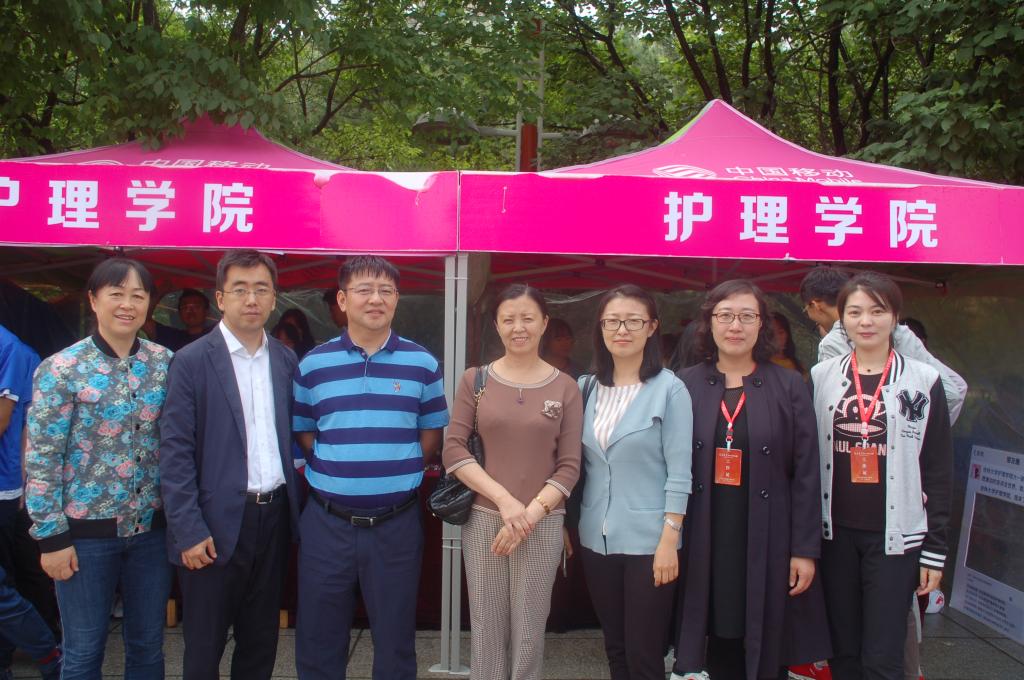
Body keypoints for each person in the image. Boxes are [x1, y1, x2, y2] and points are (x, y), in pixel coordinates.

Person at [293, 256, 449, 680]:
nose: (375, 299)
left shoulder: (422, 363)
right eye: (364, 290)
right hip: (327, 523)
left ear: (397, 299)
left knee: (395, 642)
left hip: (396, 525)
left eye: (386, 291)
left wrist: (399, 470)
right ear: (343, 300)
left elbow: (431, 433)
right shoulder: (313, 365)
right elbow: (304, 431)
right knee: (318, 641)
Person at [671, 279, 830, 680]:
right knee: (714, 625)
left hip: (767, 532)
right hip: (705, 528)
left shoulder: (788, 384)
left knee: (764, 635)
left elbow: (807, 472)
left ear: (762, 324)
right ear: (710, 322)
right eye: (725, 315)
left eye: (746, 316)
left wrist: (804, 549)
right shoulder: (685, 383)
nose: (735, 326)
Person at [25, 258, 173, 679]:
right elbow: (42, 457)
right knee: (84, 649)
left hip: (151, 533)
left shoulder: (165, 363)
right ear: (93, 300)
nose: (127, 304)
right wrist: (51, 538)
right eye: (116, 294)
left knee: (148, 646)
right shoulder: (61, 369)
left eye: (138, 296)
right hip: (83, 537)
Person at [159, 250, 300, 680]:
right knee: (205, 647)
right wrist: (188, 529)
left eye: (261, 289)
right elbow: (175, 451)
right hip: (212, 525)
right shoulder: (191, 361)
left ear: (274, 298)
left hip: (273, 519)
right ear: (220, 298)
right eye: (240, 290)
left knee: (261, 643)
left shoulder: (285, 360)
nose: (251, 299)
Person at [811, 272, 952, 680]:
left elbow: (938, 470)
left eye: (877, 311)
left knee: (883, 655)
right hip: (834, 536)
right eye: (855, 312)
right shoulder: (822, 377)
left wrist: (934, 550)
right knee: (843, 652)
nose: (866, 321)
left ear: (895, 317)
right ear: (842, 319)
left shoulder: (923, 380)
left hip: (896, 540)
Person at [442, 283, 582, 680]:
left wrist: (528, 516)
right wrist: (504, 502)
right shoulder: (476, 380)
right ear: (497, 325)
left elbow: (569, 467)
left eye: (527, 318)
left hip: (543, 523)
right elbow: (454, 450)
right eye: (508, 319)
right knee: (486, 627)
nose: (518, 327)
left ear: (544, 323)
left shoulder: (566, 386)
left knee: (530, 629)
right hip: (485, 518)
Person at [577, 285, 692, 680]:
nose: (622, 330)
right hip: (596, 538)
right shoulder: (586, 387)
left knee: (645, 654)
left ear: (652, 327)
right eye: (612, 321)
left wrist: (670, 540)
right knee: (616, 648)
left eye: (633, 321)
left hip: (651, 543)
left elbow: (680, 472)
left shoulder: (670, 389)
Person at [799, 267, 966, 422]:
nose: (866, 323)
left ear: (815, 305)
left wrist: (907, 432)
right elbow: (954, 391)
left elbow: (833, 408)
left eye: (877, 311)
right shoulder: (901, 332)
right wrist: (914, 434)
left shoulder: (833, 341)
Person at [0, 324, 61, 680]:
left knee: (10, 587)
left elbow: (10, 422)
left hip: (7, 487)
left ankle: (48, 651)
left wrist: (28, 482)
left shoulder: (11, 348)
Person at [145, 289, 213, 352]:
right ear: (180, 313)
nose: (190, 310)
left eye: (196, 306)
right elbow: (144, 321)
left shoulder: (216, 334)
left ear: (206, 311)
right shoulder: (173, 338)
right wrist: (162, 292)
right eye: (185, 307)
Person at [769, 313, 807, 378]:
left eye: (780, 332)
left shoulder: (798, 368)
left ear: (787, 335)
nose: (776, 337)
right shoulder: (756, 360)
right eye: (771, 333)